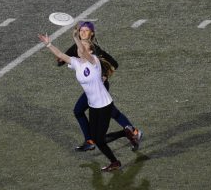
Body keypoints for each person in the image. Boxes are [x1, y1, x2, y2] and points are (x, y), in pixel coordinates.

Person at [38, 27, 139, 171]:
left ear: (90, 51)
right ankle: (126, 134)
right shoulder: (76, 63)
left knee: (99, 139)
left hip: (105, 105)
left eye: (84, 47)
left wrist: (76, 39)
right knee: (97, 139)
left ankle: (117, 156)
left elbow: (84, 52)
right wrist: (48, 44)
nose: (80, 49)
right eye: (80, 47)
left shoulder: (94, 61)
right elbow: (60, 54)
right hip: (93, 106)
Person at [57, 21, 143, 152]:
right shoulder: (76, 47)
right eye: (81, 30)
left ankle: (93, 140)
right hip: (90, 89)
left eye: (86, 30)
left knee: (100, 112)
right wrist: (62, 58)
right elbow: (60, 62)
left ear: (92, 34)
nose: (83, 32)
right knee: (104, 112)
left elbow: (114, 63)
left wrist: (105, 76)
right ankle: (132, 132)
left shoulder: (95, 49)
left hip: (99, 87)